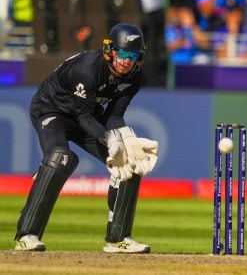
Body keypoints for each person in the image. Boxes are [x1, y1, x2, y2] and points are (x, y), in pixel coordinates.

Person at [14, 23, 159, 253]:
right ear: (110, 50)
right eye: (122, 54)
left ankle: (118, 239)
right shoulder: (87, 69)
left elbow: (114, 116)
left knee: (130, 163)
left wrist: (125, 139)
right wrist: (110, 138)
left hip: (88, 114)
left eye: (132, 56)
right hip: (52, 109)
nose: (126, 61)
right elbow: (82, 115)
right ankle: (26, 235)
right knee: (60, 158)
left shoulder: (134, 76)